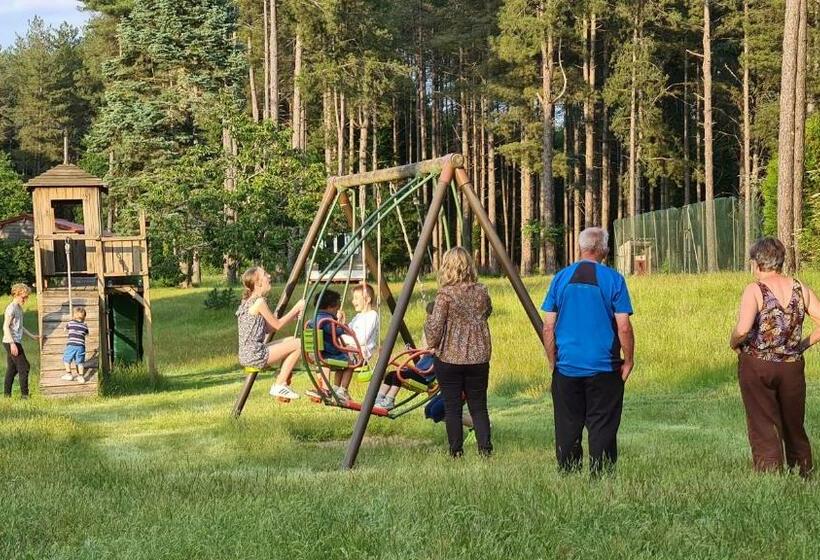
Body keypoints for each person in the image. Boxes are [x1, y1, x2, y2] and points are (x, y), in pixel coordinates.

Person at [542, 227, 634, 475]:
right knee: (602, 423)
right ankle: (601, 473)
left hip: (567, 366)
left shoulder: (560, 278)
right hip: (604, 367)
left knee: (567, 424)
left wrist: (553, 362)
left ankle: (569, 472)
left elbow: (548, 326)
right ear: (603, 249)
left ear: (580, 248)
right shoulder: (614, 280)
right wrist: (629, 360)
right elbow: (623, 325)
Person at [730, 237, 817, 477]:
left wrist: (733, 342)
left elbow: (744, 329)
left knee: (763, 420)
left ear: (757, 263)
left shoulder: (755, 290)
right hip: (792, 366)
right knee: (793, 421)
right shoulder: (801, 288)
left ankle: (769, 472)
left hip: (758, 364)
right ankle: (803, 470)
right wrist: (801, 345)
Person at [424, 246, 493, 457]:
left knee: (452, 406)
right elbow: (488, 311)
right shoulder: (482, 291)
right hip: (479, 357)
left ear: (447, 267)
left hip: (450, 357)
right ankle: (485, 449)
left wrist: (432, 342)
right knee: (479, 406)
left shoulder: (445, 295)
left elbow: (435, 327)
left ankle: (456, 451)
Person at [236, 267, 305, 400]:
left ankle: (282, 381)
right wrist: (297, 307)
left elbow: (269, 329)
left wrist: (293, 315)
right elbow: (277, 325)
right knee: (299, 344)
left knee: (292, 339)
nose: (269, 276)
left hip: (248, 352)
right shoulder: (259, 302)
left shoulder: (249, 301)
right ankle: (279, 384)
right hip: (254, 354)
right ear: (258, 283)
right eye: (265, 275)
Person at [375, 301, 435, 410]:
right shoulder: (428, 352)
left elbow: (432, 368)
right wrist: (414, 352)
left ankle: (389, 400)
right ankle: (379, 399)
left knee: (399, 375)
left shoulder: (438, 352)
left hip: (425, 378)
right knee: (390, 374)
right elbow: (422, 360)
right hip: (419, 372)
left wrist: (432, 351)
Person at [306, 289, 357, 403]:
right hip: (327, 354)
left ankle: (333, 389)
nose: (337, 311)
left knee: (339, 362)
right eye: (337, 308)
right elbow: (336, 331)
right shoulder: (326, 320)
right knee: (350, 363)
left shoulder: (312, 319)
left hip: (314, 354)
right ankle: (343, 390)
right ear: (330, 307)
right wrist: (343, 326)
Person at [3, 283, 42, 399]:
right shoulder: (11, 308)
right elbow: (5, 327)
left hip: (15, 342)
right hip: (11, 342)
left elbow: (20, 326)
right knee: (24, 367)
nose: (26, 299)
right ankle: (25, 396)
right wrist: (12, 344)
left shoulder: (19, 308)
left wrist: (32, 336)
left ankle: (6, 396)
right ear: (16, 294)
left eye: (27, 297)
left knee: (12, 369)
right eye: (24, 297)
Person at [340, 283, 379, 363]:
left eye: (356, 298)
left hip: (361, 354)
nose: (353, 301)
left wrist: (342, 338)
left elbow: (362, 340)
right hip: (351, 349)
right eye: (353, 298)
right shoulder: (358, 316)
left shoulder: (372, 315)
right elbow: (348, 331)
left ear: (367, 299)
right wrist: (342, 323)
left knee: (340, 354)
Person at [61, 307, 89, 384]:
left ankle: (69, 374)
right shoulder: (85, 326)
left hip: (71, 345)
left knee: (66, 359)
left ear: (74, 315)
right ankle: (81, 376)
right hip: (81, 347)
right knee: (80, 362)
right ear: (84, 317)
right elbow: (87, 333)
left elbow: (65, 329)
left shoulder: (70, 323)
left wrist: (66, 329)